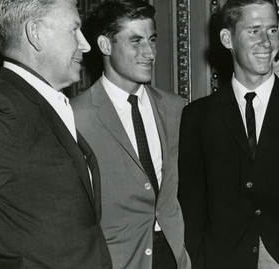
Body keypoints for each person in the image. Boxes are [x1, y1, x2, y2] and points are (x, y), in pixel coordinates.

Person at [177, 0, 279, 268]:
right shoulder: (198, 116)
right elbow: (191, 210)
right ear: (228, 38)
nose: (267, 43)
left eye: (272, 30)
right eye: (254, 31)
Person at [0, 0, 112, 268]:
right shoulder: (3, 108)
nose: (85, 44)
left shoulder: (40, 102)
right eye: (74, 29)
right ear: (35, 33)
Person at [70, 1, 191, 269]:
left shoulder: (175, 107)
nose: (149, 52)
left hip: (174, 256)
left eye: (152, 39)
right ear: (105, 45)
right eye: (135, 41)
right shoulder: (76, 116)